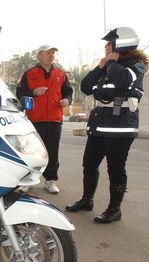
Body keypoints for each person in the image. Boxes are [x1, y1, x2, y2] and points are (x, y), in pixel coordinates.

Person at [65, 27, 148, 223]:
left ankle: (114, 209)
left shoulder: (136, 65)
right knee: (89, 164)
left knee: (116, 169)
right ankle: (87, 200)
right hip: (100, 124)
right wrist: (99, 67)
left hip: (121, 127)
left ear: (122, 43)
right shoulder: (110, 65)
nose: (106, 45)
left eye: (110, 42)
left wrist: (111, 62)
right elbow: (86, 87)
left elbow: (123, 80)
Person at [16, 45, 73, 194]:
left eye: (53, 53)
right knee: (31, 151)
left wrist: (67, 100)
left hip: (54, 119)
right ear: (39, 56)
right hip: (35, 119)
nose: (51, 55)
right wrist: (33, 92)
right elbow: (20, 93)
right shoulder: (29, 74)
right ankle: (29, 179)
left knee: (52, 152)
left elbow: (68, 92)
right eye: (48, 53)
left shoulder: (60, 74)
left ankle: (50, 181)